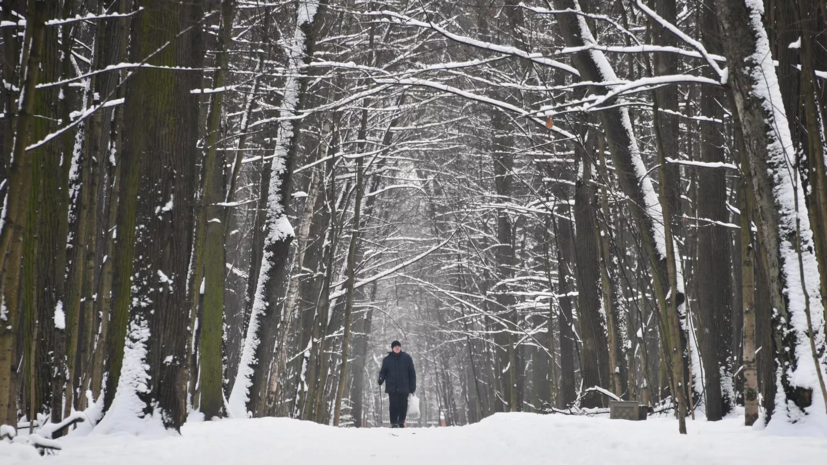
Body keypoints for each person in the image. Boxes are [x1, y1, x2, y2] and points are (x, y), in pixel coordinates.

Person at [378, 340, 416, 428]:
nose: (397, 347)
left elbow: (412, 373)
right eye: (395, 346)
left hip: (404, 386)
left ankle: (401, 422)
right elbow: (383, 372)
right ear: (392, 348)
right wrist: (381, 379)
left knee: (403, 405)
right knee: (393, 405)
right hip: (392, 387)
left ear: (400, 347)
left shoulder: (407, 358)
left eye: (398, 346)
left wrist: (412, 386)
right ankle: (394, 422)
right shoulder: (387, 360)